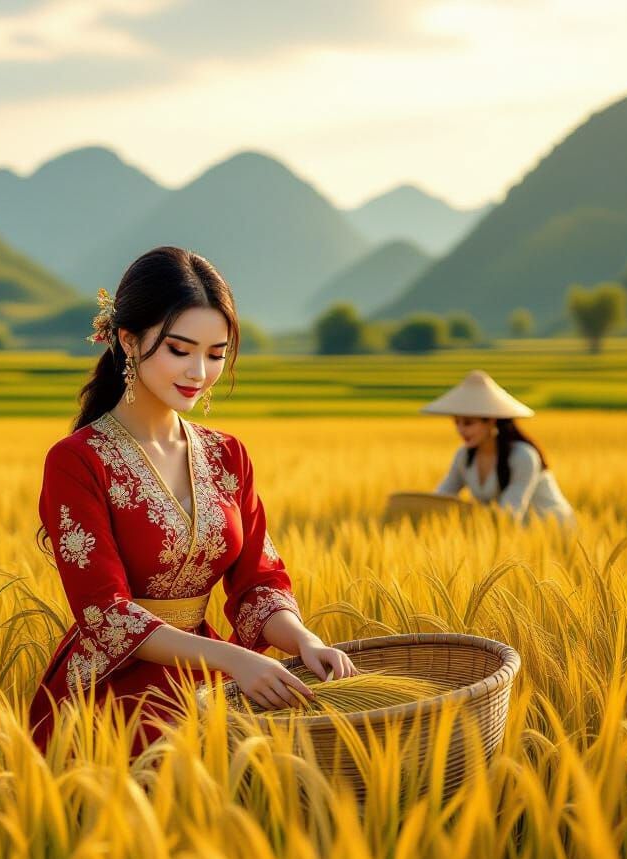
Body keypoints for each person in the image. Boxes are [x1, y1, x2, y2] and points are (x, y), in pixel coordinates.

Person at [29, 246, 358, 751]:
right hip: (112, 695)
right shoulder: (77, 461)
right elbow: (105, 614)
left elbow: (258, 583)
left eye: (215, 354)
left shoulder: (228, 455)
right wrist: (235, 660)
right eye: (180, 350)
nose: (199, 372)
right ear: (128, 340)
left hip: (212, 681)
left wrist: (303, 640)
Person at [423, 370, 575, 526]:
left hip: (552, 527)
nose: (460, 430)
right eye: (457, 422)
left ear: (491, 422)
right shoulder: (464, 456)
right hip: (509, 530)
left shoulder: (523, 456)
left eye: (468, 423)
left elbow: (510, 512)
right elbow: (440, 498)